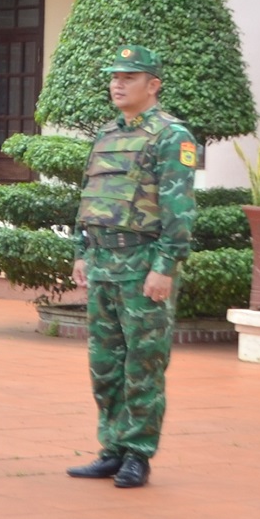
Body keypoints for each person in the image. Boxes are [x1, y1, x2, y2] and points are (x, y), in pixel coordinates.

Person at [67, 44, 198, 491]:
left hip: (143, 265)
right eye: (114, 77)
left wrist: (165, 267)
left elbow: (178, 210)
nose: (118, 84)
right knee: (104, 363)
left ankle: (137, 454)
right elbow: (90, 198)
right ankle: (111, 448)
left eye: (129, 77)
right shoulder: (106, 134)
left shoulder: (171, 137)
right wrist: (81, 251)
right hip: (103, 263)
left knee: (143, 363)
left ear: (153, 84)